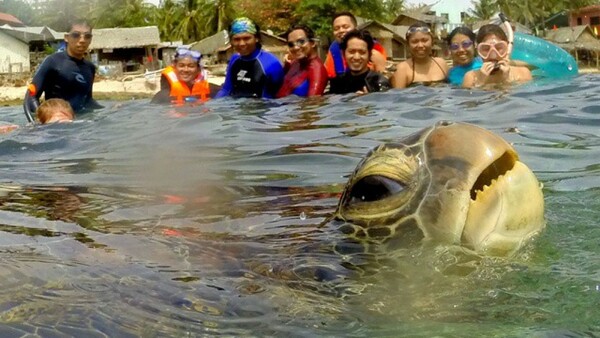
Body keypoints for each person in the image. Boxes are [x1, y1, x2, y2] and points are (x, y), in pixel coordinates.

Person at [23, 19, 102, 122]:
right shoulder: (52, 61)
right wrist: (38, 124)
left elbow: (88, 100)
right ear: (66, 37)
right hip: (56, 125)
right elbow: (30, 98)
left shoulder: (90, 68)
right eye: (76, 35)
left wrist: (110, 110)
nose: (82, 40)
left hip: (80, 125)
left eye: (87, 36)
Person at [215, 17, 284, 99]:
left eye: (246, 38)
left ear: (257, 38)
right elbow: (226, 90)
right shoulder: (234, 60)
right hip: (236, 108)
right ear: (231, 41)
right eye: (236, 39)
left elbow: (280, 95)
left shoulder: (271, 63)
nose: (241, 44)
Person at [463, 24, 532, 89]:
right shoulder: (470, 78)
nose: (493, 55)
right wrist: (480, 83)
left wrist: (507, 80)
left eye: (499, 48)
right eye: (486, 49)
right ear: (478, 51)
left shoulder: (523, 73)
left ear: (507, 48)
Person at [324, 12, 387, 79]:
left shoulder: (373, 51)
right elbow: (328, 75)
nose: (341, 30)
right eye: (336, 28)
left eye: (345, 27)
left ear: (355, 28)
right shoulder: (334, 50)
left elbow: (382, 79)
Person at [328, 29, 391, 95]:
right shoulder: (337, 82)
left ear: (369, 55)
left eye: (362, 52)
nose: (356, 57)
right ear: (344, 54)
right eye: (351, 52)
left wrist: (371, 100)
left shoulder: (379, 82)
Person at [151, 47, 219, 104]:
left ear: (199, 69)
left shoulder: (212, 90)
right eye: (181, 66)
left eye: (191, 66)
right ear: (174, 67)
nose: (186, 70)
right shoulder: (163, 96)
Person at [391, 21, 448, 88]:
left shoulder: (441, 64)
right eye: (414, 41)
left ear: (432, 42)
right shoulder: (402, 69)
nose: (420, 45)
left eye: (424, 40)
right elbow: (397, 97)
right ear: (408, 45)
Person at [276, 25, 328, 98]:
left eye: (301, 42)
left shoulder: (317, 69)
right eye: (291, 44)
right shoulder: (294, 63)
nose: (296, 47)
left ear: (312, 43)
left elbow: (313, 104)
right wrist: (286, 65)